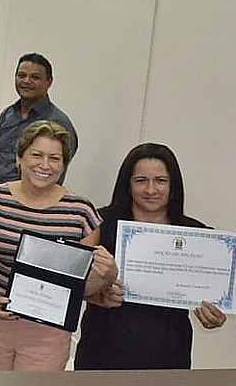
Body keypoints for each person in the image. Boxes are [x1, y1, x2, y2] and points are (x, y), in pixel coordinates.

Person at [0, 121, 117, 372]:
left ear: (64, 165)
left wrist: (106, 276)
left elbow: (82, 286)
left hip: (48, 332)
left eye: (54, 158)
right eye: (36, 155)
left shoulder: (81, 214)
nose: (45, 165)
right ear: (19, 158)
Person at [75, 143, 225, 370]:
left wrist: (215, 313)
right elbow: (73, 286)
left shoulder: (196, 235)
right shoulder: (99, 223)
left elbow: (214, 295)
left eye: (161, 181)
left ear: (173, 185)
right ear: (127, 184)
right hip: (103, 345)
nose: (151, 190)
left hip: (169, 351)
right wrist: (97, 294)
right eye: (141, 181)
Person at [0, 53, 78, 189]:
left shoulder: (58, 123)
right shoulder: (8, 114)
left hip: (32, 199)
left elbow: (55, 171)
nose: (26, 81)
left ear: (49, 82)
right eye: (21, 75)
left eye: (35, 77)